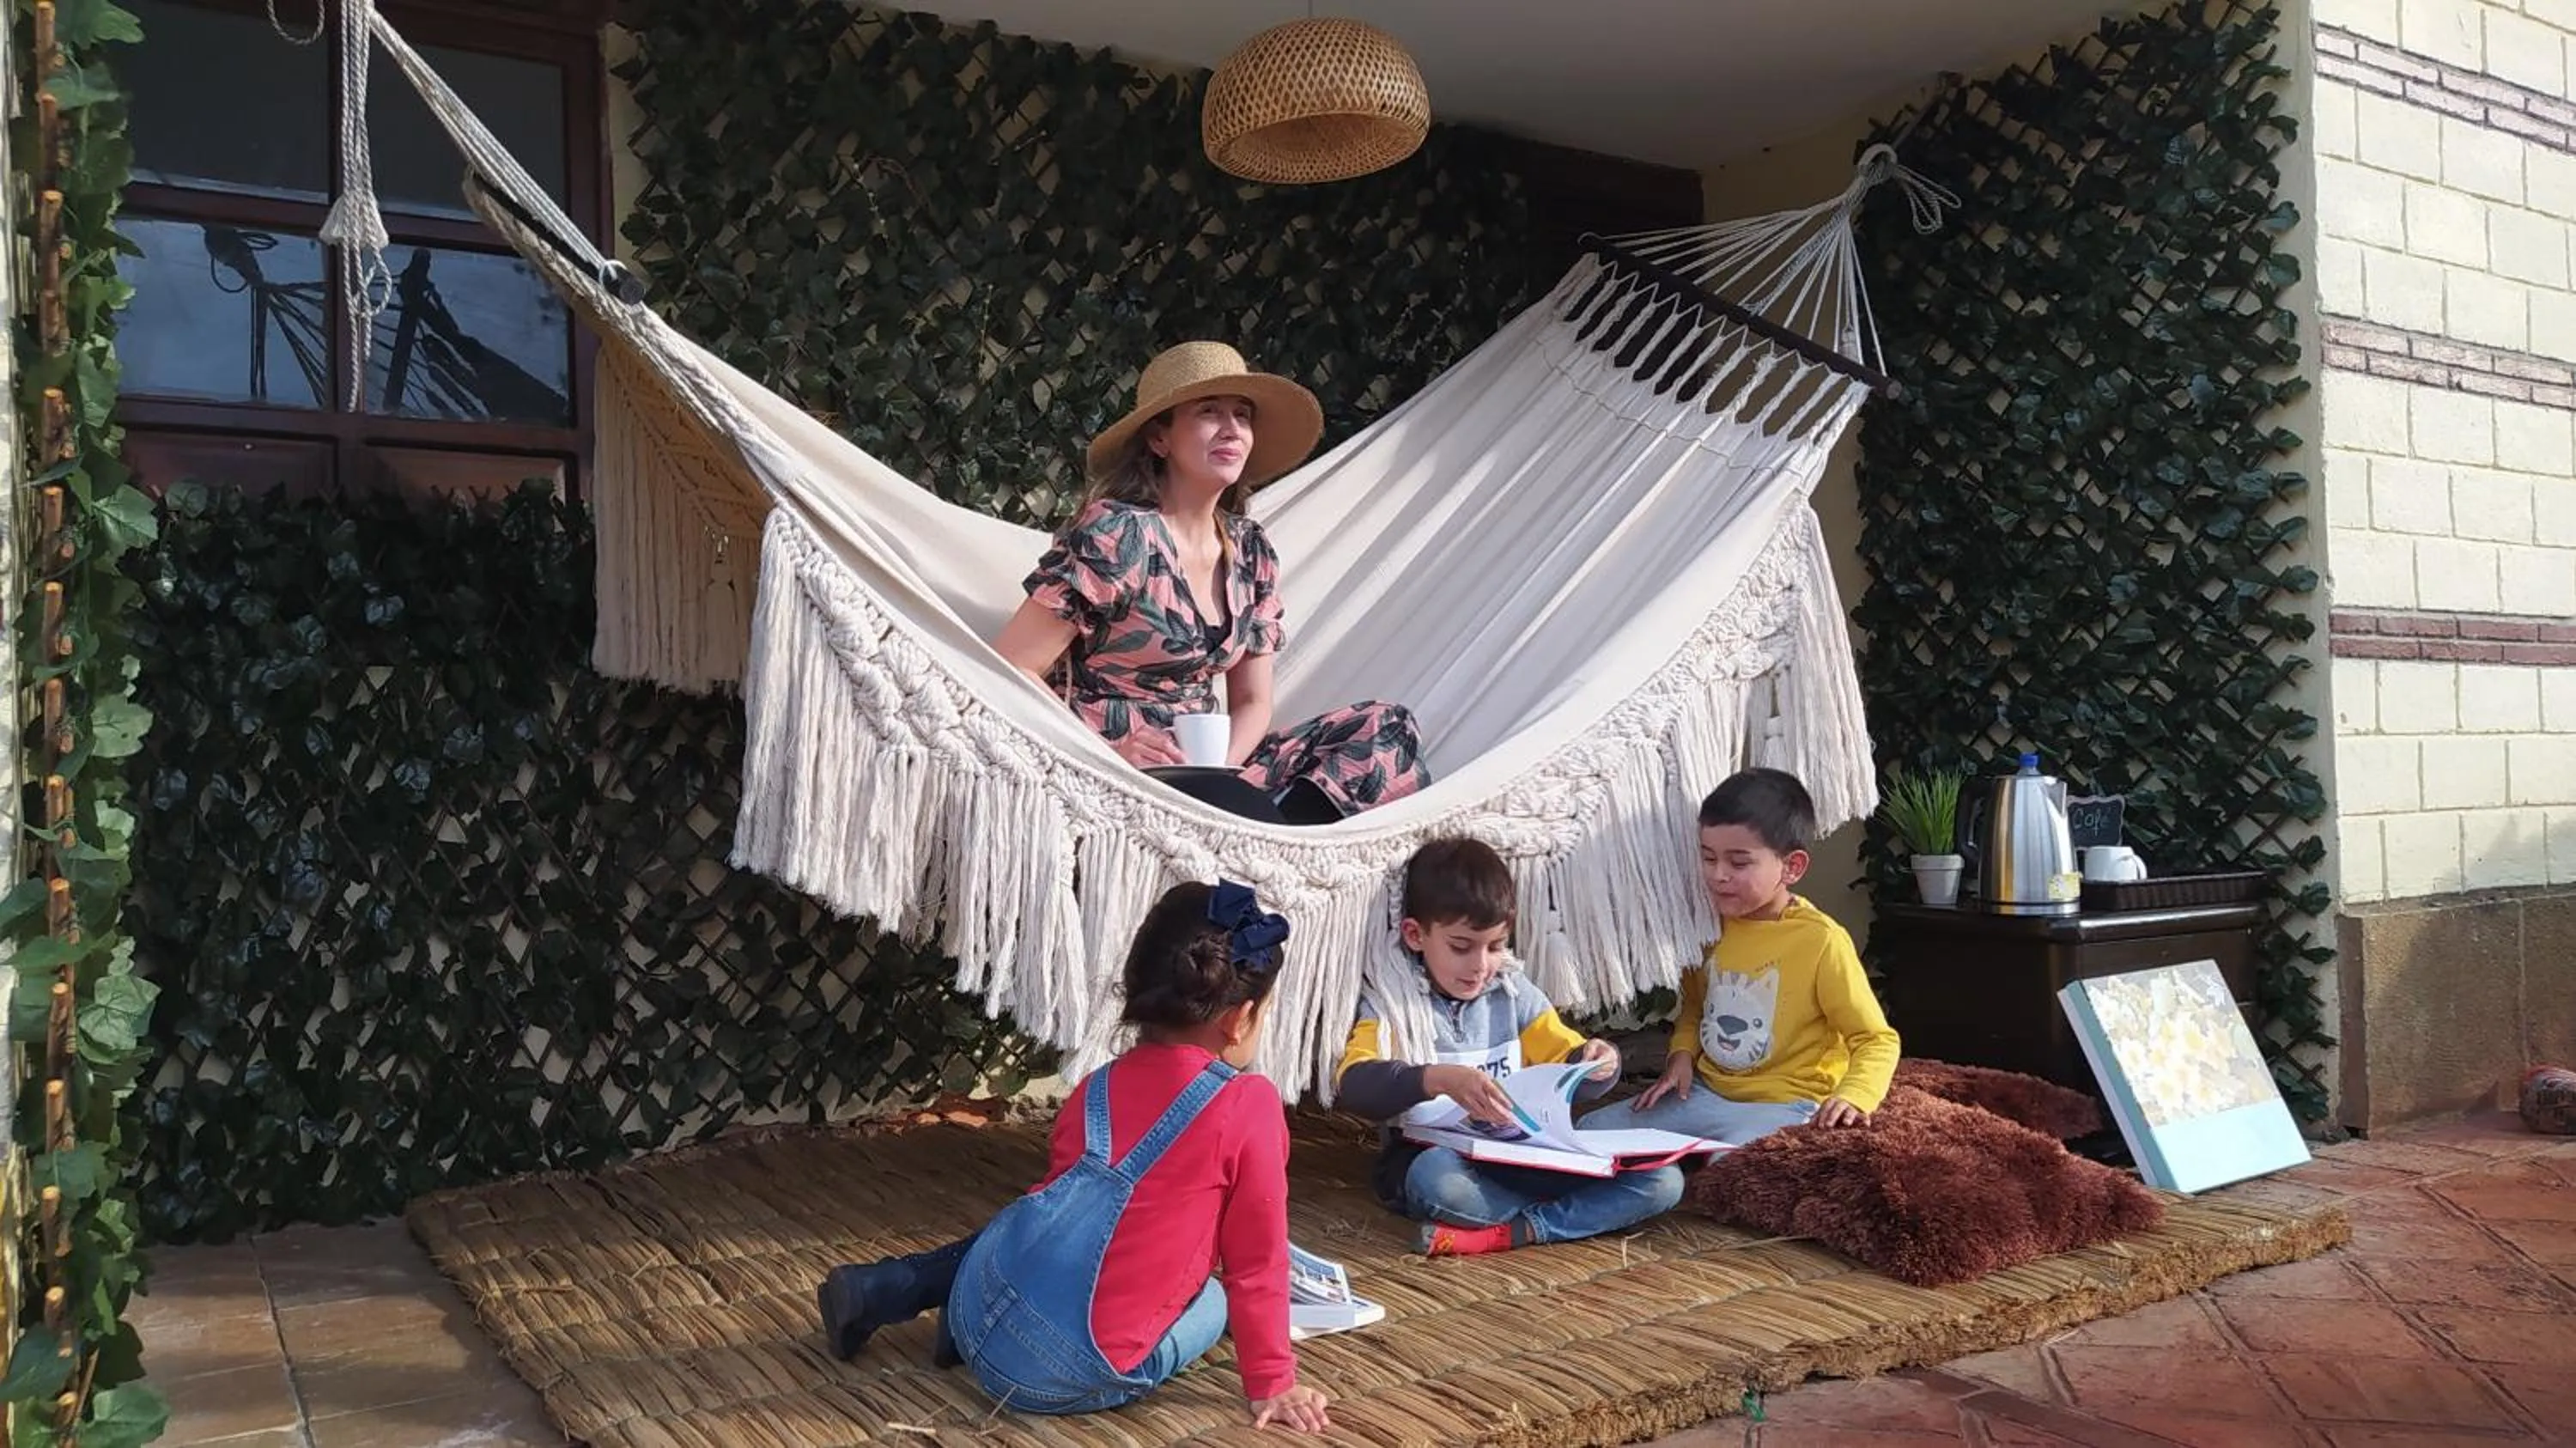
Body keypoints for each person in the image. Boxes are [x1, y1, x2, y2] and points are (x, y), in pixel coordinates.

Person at [816, 880, 1331, 1431]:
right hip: (1054, 1376)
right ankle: (956, 1327)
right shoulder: (1246, 1103)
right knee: (1214, 1299)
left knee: (1047, 1216)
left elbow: (1063, 1218)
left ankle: (908, 1293)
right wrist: (1274, 1381)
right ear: (1239, 1018)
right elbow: (1256, 1264)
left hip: (980, 1301)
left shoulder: (1098, 1085)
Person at [991, 341, 1430, 819]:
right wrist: (1109, 750)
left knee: (1386, 729)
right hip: (1120, 768)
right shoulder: (1118, 535)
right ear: (1160, 440)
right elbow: (1013, 667)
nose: (1232, 429)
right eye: (1209, 412)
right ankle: (1254, 837)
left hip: (1211, 768)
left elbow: (1253, 701)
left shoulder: (1250, 551)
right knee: (1232, 801)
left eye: (1242, 415)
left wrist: (1220, 768)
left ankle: (1260, 837)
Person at [1333, 837, 1683, 1255]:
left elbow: (1573, 1069)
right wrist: (1437, 1079)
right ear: (1415, 934)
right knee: (1440, 1184)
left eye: (1495, 946)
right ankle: (1568, 1216)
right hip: (1439, 1162)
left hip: (1523, 1157)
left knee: (1663, 1182)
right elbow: (1354, 1085)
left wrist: (1599, 1062)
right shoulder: (1392, 1000)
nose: (1481, 965)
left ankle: (1516, 1230)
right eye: (1461, 947)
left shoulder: (1513, 992)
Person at [1589, 768, 1900, 1146]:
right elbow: (1695, 1010)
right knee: (1592, 1132)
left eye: (1738, 863)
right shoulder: (1707, 927)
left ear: (1792, 867)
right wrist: (1682, 1055)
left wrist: (1854, 1096)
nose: (1718, 875)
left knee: (1735, 1169)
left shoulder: (1822, 942)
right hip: (1702, 1095)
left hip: (1785, 1106)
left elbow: (1875, 1039)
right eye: (1708, 858)